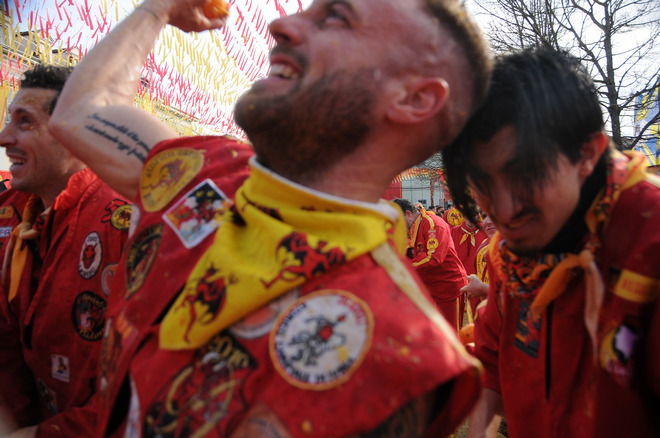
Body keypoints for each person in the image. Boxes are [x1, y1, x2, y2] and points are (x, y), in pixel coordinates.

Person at [48, 0, 492, 436]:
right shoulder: (202, 170)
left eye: (336, 17)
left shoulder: (404, 352)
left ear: (414, 98)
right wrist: (158, 9)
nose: (281, 24)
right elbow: (80, 112)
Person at [443, 47, 660, 437]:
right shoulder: (510, 256)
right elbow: (492, 361)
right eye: (482, 183)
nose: (503, 212)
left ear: (587, 153)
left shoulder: (649, 243)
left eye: (525, 176)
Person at [0, 66, 131, 437]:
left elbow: (144, 381)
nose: (4, 138)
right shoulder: (11, 210)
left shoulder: (126, 222)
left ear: (76, 135)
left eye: (25, 122)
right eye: (9, 120)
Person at [393, 198, 467, 331]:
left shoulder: (433, 224)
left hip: (448, 288)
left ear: (408, 214)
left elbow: (434, 258)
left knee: (449, 333)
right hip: (428, 289)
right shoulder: (411, 229)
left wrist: (402, 268)